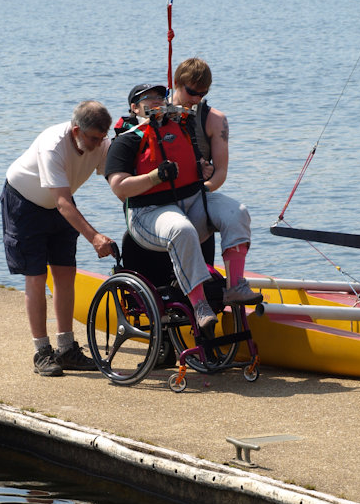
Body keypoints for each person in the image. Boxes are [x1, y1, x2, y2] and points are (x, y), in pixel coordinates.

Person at [105, 78, 261, 334]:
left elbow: (198, 165)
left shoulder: (181, 129)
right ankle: (199, 305)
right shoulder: (127, 141)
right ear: (134, 107)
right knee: (182, 229)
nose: (156, 101)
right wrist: (155, 177)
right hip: (147, 213)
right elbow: (119, 187)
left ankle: (235, 287)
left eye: (159, 97)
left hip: (191, 202)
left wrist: (203, 168)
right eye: (148, 99)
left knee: (238, 212)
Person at [1, 100, 114, 377]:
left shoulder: (100, 143)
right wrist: (95, 237)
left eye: (103, 137)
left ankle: (66, 349)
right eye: (94, 138)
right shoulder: (53, 144)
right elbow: (63, 203)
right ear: (77, 130)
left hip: (58, 203)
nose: (100, 143)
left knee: (65, 274)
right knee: (36, 277)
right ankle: (42, 351)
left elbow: (116, 179)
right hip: (24, 203)